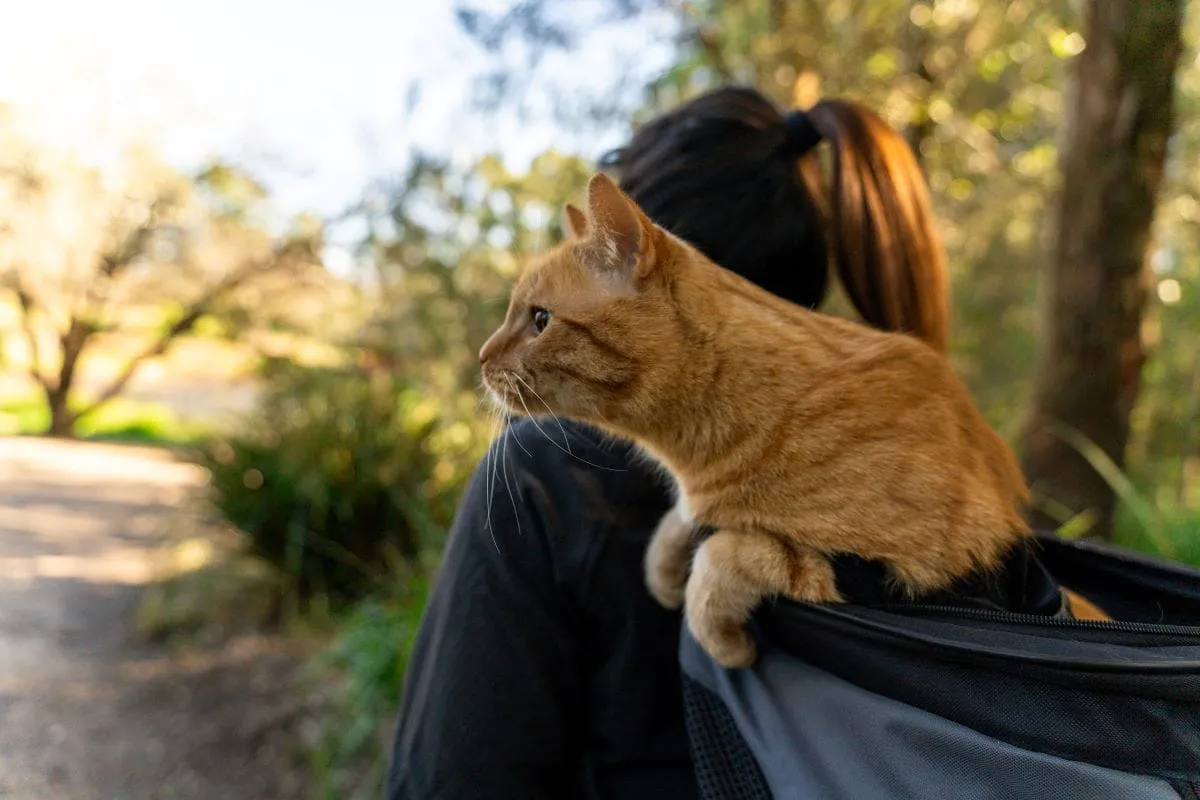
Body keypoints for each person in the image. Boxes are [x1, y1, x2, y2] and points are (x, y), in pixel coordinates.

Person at [385, 85, 1062, 800]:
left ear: (648, 245)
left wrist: (755, 557)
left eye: (539, 319)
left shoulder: (547, 469)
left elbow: (448, 777)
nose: (492, 351)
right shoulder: (894, 425)